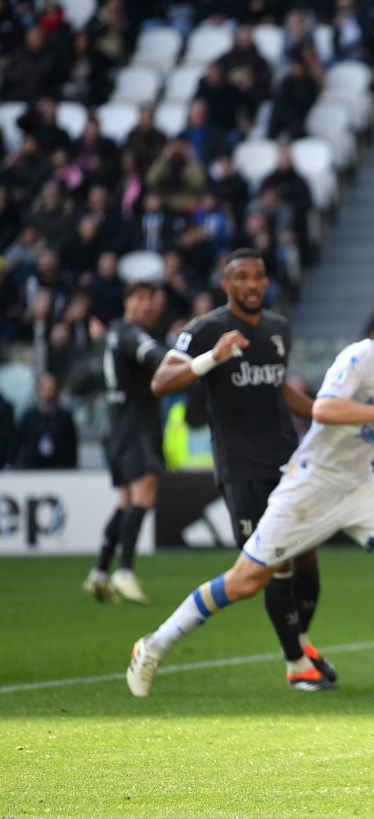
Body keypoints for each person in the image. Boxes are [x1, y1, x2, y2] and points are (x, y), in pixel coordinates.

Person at [126, 284, 374, 696]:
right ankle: (152, 646)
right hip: (310, 483)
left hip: (358, 485)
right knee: (245, 582)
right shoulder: (357, 359)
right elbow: (323, 408)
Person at [149, 249, 334, 692]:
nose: (253, 284)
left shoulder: (278, 328)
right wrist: (212, 357)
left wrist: (325, 414)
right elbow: (161, 382)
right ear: (226, 283)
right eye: (243, 277)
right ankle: (295, 666)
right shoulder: (206, 329)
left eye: (259, 276)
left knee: (306, 556)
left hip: (288, 461)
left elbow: (277, 388)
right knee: (270, 564)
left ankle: (302, 642)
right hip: (242, 466)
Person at [84, 282, 171, 605]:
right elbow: (155, 355)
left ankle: (100, 571)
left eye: (151, 298)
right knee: (145, 494)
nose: (147, 305)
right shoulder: (133, 333)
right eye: (140, 298)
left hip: (115, 427)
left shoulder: (112, 334)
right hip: (136, 427)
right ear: (127, 303)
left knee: (126, 502)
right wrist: (186, 364)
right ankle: (126, 571)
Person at [11, 372, 78, 469]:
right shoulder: (29, 417)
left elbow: (71, 446)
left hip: (59, 468)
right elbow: (18, 443)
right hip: (31, 469)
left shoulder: (65, 417)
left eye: (51, 388)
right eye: (45, 388)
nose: (48, 392)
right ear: (38, 390)